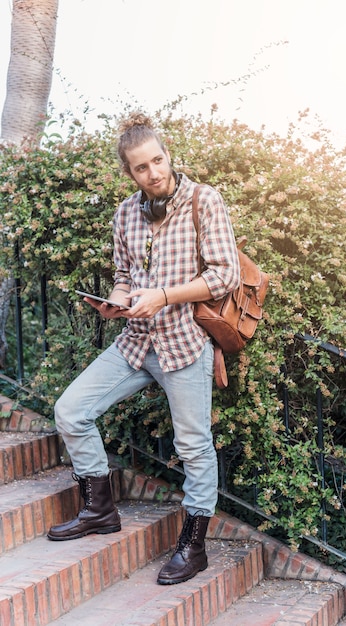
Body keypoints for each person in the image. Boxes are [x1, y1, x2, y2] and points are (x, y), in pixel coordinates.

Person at [47, 112, 240, 586]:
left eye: (158, 160)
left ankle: (193, 547)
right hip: (135, 343)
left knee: (194, 448)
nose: (153, 173)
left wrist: (166, 295)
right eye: (141, 167)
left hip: (183, 345)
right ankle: (98, 508)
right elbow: (124, 278)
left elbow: (225, 274)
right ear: (128, 173)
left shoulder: (203, 200)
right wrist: (115, 302)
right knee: (70, 410)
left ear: (168, 154)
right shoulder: (124, 214)